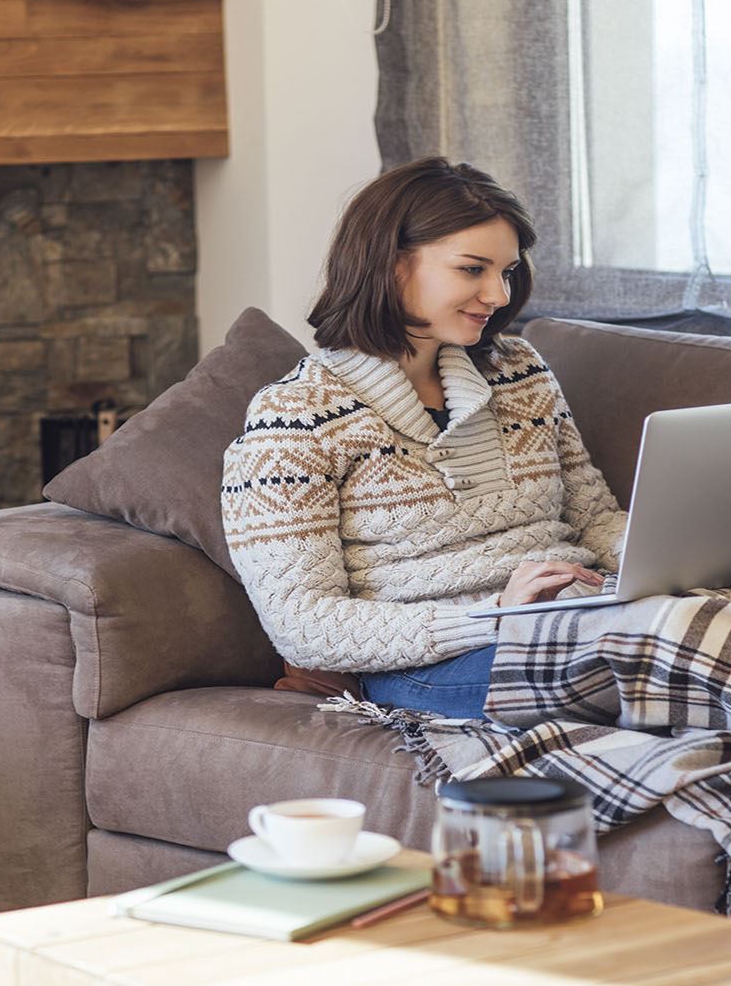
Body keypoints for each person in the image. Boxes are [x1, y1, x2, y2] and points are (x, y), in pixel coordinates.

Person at [219, 157, 628, 719]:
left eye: (506, 272)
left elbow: (594, 519)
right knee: (651, 660)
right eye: (471, 269)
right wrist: (494, 614)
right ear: (389, 265)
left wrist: (675, 563)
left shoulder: (518, 371)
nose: (499, 295)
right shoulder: (292, 420)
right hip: (435, 663)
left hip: (587, 618)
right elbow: (301, 623)